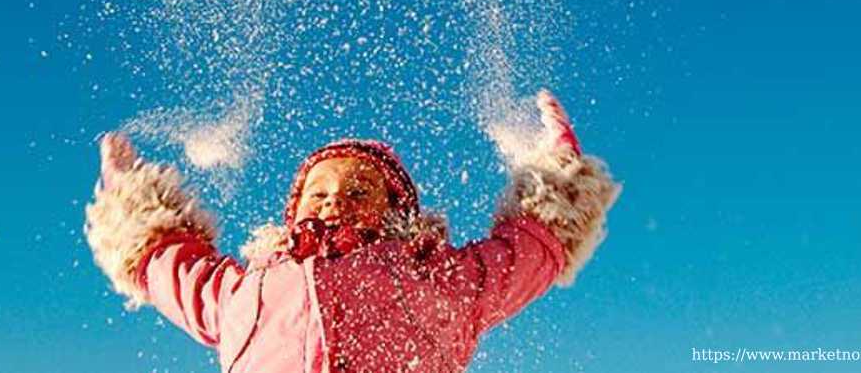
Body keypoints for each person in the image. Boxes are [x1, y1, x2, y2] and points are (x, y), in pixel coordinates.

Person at [85, 89, 622, 372]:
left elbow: (527, 250)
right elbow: (171, 265)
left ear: (396, 213)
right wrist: (133, 200)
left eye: (361, 191)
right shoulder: (245, 292)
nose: (335, 199)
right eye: (317, 193)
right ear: (294, 211)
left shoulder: (443, 280)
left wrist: (558, 175)